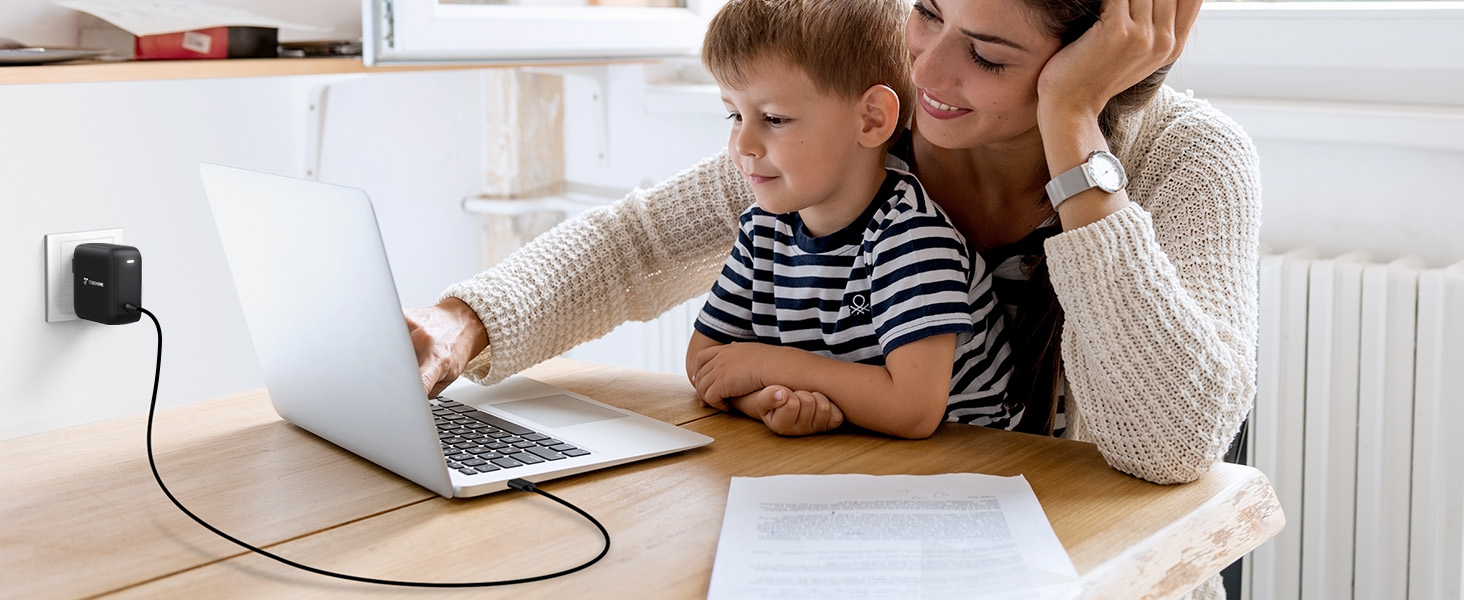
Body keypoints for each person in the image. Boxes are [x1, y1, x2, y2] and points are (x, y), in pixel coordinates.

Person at [411, 0, 1256, 519]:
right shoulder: (871, 118)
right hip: (876, 527)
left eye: (988, 55)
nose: (927, 70)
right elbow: (641, 243)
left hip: (1087, 562)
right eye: (927, 11)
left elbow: (1169, 444)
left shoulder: (1189, 159)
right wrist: (460, 324)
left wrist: (1072, 125)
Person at [684, 0, 1013, 439]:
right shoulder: (762, 229)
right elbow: (706, 363)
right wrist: (763, 399)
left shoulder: (913, 240)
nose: (743, 144)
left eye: (774, 118)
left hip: (975, 462)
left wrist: (769, 366)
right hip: (858, 454)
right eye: (735, 115)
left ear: (871, 119)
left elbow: (913, 410)